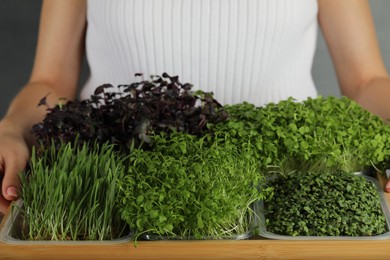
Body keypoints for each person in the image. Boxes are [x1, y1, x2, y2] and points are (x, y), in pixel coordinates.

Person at [1, 0, 390, 214]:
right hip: (122, 190)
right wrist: (12, 129)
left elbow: (365, 81)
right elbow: (49, 83)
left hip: (287, 190)